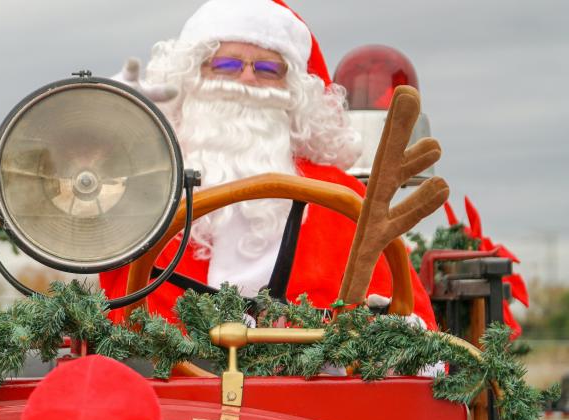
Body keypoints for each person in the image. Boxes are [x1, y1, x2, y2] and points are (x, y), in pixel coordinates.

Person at [100, 0, 436, 328]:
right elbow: (109, 303)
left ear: (294, 91)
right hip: (165, 381)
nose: (247, 80)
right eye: (227, 66)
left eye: (268, 69)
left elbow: (415, 333)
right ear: (189, 76)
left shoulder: (340, 198)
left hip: (314, 384)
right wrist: (111, 138)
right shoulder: (145, 191)